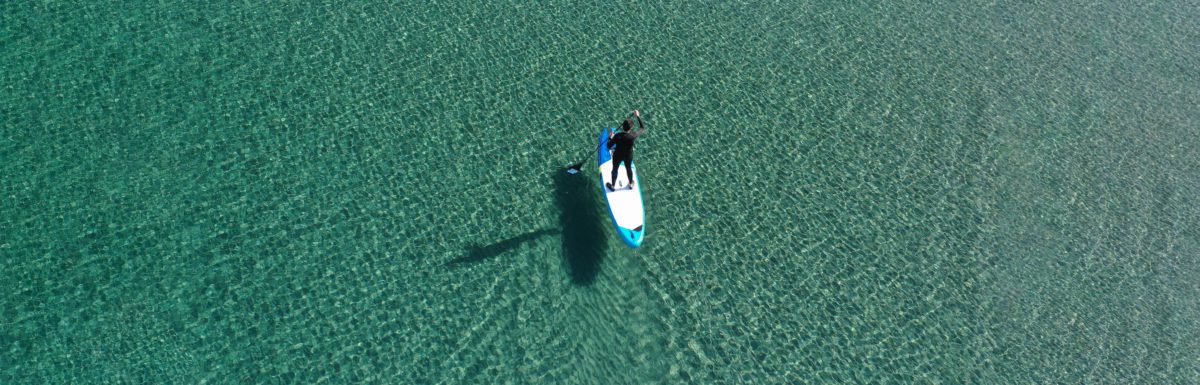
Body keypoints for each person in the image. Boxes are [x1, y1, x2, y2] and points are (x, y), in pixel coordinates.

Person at [606, 110, 646, 191]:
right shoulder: (633, 135)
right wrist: (637, 116)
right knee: (628, 168)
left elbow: (608, 146)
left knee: (614, 169)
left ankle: (613, 186)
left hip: (617, 155)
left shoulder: (617, 136)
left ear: (622, 127)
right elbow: (642, 127)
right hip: (628, 156)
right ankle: (631, 184)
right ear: (631, 128)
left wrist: (610, 137)